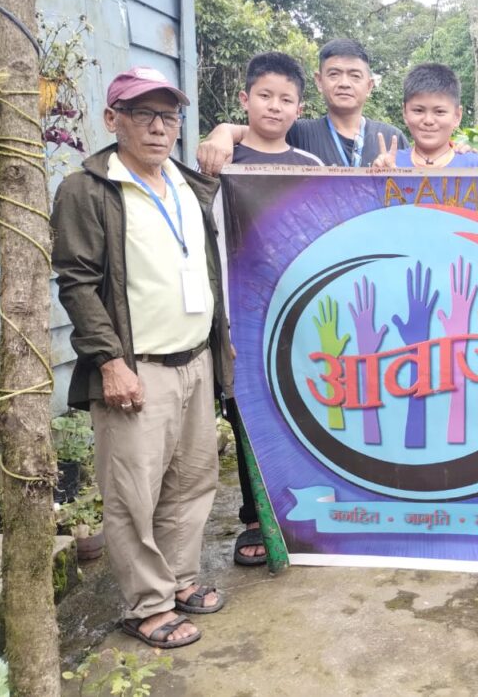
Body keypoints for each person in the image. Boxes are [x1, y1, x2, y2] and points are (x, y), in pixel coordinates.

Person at [51, 67, 235, 649]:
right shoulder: (89, 188)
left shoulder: (185, 181)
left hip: (194, 359)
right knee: (134, 492)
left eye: (169, 116)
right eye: (144, 115)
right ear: (114, 120)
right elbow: (77, 282)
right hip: (138, 366)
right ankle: (146, 605)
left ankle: (179, 581)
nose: (159, 128)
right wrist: (109, 360)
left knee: (193, 480)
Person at [225, 52, 323, 567]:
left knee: (302, 407)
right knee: (246, 410)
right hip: (241, 318)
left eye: (286, 99)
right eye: (264, 95)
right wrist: (225, 134)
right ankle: (251, 518)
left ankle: (300, 505)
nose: (275, 106)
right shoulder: (222, 163)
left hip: (300, 315)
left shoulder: (311, 168)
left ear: (298, 108)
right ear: (245, 100)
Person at [197, 38, 407, 174]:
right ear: (319, 80)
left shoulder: (392, 138)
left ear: (369, 86)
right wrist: (221, 134)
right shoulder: (297, 131)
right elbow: (254, 133)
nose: (344, 83)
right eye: (334, 74)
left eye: (354, 75)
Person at [372, 63, 478, 169]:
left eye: (439, 112)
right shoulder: (388, 164)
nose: (428, 120)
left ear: (457, 116)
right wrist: (377, 179)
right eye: (418, 110)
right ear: (405, 112)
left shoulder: (474, 165)